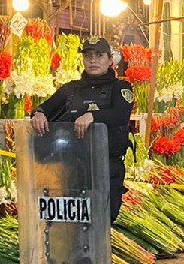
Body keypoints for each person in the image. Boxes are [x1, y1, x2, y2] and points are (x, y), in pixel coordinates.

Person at [30, 36, 133, 222]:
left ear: (110, 60)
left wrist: (93, 116)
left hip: (107, 168)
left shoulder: (121, 87)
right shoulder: (71, 89)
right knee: (74, 224)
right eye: (88, 56)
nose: (93, 61)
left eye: (99, 55)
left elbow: (121, 114)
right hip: (73, 168)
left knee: (101, 222)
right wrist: (38, 114)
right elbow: (46, 106)